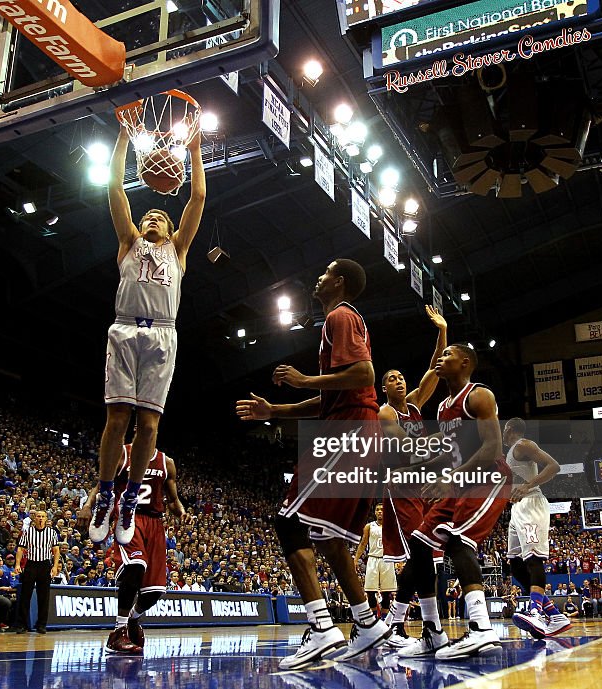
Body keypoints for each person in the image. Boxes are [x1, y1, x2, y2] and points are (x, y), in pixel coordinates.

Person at [235, 259, 391, 669]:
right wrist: (275, 409)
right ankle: (366, 622)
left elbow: (363, 374)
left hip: (350, 428)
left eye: (324, 272)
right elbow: (329, 397)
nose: (317, 278)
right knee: (327, 537)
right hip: (351, 424)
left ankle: (321, 628)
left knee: (289, 522)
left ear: (338, 282)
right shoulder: (340, 321)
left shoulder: (340, 316)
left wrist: (304, 379)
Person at [89, 125, 206, 547]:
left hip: (162, 335)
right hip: (124, 328)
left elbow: (197, 198)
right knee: (117, 419)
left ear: (171, 228)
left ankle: (128, 498)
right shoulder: (128, 242)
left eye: (158, 216)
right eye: (146, 216)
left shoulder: (178, 250)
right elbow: (115, 187)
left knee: (150, 425)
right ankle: (105, 492)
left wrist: (194, 151)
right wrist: (122, 137)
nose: (150, 217)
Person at [398, 344, 510, 660]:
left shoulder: (478, 396)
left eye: (447, 355)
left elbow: (491, 447)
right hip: (460, 481)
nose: (440, 359)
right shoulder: (443, 407)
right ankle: (433, 632)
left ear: (464, 363)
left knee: (458, 541)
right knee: (420, 545)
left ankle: (481, 627)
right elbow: (448, 454)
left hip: (488, 476)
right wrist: (411, 471)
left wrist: (452, 476)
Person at [376, 306, 446, 648]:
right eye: (391, 378)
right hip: (399, 485)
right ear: (383, 388)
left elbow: (436, 367)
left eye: (401, 376)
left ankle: (394, 622)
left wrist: (442, 331)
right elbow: (401, 439)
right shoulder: (386, 411)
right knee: (421, 554)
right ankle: (427, 625)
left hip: (420, 487)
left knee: (424, 557)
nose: (399, 380)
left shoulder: (416, 404)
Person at [81, 439, 185, 654]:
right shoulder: (123, 453)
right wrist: (88, 505)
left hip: (155, 523)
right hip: (129, 516)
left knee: (155, 591)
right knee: (135, 566)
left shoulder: (167, 462)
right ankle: (117, 633)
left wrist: (182, 513)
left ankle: (132, 620)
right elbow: (100, 484)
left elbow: (173, 500)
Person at [503, 417, 571, 638]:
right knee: (515, 564)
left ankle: (536, 612)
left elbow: (554, 466)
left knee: (533, 560)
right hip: (517, 510)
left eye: (503, 430)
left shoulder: (524, 444)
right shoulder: (510, 452)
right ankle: (554, 614)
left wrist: (528, 485)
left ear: (509, 429)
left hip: (532, 503)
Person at [13, 510, 61, 634]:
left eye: (43, 516)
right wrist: (17, 564)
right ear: (34, 518)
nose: (40, 518)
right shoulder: (28, 532)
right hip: (31, 564)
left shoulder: (52, 533)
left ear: (46, 518)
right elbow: (20, 548)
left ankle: (41, 624)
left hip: (45, 564)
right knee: (25, 595)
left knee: (43, 596)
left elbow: (56, 551)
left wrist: (55, 567)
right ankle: (21, 624)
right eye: (38, 516)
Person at [354, 504, 396, 619]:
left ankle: (384, 620)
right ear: (375, 512)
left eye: (382, 509)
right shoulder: (369, 526)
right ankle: (373, 619)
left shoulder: (392, 525)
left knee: (386, 593)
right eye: (377, 510)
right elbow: (363, 543)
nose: (379, 512)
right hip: (372, 558)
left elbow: (396, 543)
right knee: (370, 592)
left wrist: (400, 560)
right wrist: (356, 559)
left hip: (387, 559)